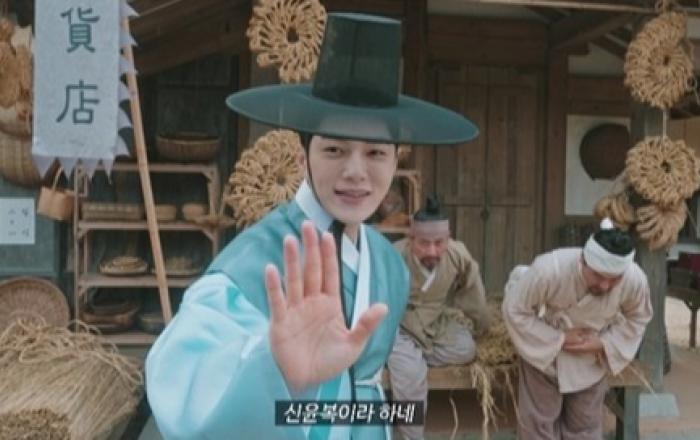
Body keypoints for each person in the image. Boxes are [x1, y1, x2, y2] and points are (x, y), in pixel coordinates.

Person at [145, 12, 479, 440]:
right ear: (303, 157)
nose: (356, 172)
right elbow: (182, 377)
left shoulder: (388, 264)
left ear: (396, 161)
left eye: (376, 153)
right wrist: (272, 365)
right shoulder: (255, 261)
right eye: (334, 149)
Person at [501, 217, 653, 440]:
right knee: (538, 426)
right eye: (598, 275)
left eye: (614, 280)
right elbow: (514, 309)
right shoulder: (550, 269)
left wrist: (604, 343)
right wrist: (559, 338)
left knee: (585, 428)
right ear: (583, 260)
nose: (605, 285)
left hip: (591, 358)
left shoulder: (633, 278)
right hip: (544, 354)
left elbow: (639, 317)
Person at [387, 195, 491, 440]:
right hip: (399, 326)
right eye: (424, 243)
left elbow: (473, 293)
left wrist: (483, 326)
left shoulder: (457, 254)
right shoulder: (394, 256)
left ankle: (412, 358)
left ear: (448, 238)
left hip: (434, 323)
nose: (432, 251)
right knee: (409, 378)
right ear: (411, 237)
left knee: (466, 349)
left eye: (439, 243)